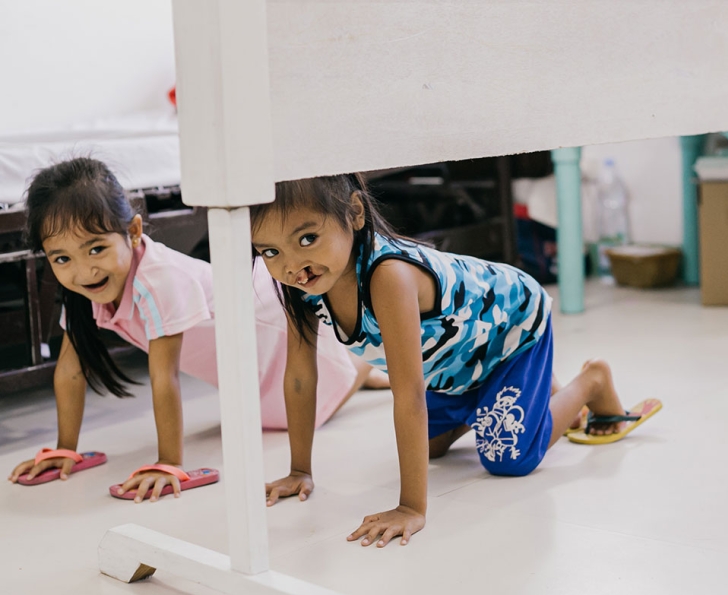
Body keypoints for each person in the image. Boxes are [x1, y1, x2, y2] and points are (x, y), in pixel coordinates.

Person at [249, 174, 661, 548]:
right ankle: (513, 399)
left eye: (306, 239)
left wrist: (411, 507)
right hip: (457, 368)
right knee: (428, 447)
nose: (291, 265)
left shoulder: (388, 276)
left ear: (355, 213)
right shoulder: (300, 286)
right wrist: (299, 469)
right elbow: (301, 376)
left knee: (507, 455)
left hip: (512, 331)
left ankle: (590, 381)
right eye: (270, 251)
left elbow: (408, 391)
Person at [8, 158, 388, 502]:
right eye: (62, 258)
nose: (83, 270)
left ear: (134, 231)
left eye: (96, 249)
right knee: (266, 418)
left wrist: (167, 463)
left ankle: (362, 366)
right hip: (248, 362)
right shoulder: (84, 287)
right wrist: (64, 450)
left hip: (272, 335)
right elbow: (71, 371)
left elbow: (164, 376)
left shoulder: (157, 280)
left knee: (304, 406)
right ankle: (358, 366)